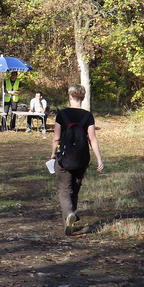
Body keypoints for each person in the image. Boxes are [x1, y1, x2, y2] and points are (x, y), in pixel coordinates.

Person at [50, 84, 104, 236]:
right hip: (82, 158)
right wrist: (99, 159)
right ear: (83, 97)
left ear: (69, 96)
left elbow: (56, 138)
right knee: (75, 188)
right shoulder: (88, 116)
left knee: (64, 189)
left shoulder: (62, 115)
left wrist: (53, 153)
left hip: (64, 157)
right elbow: (92, 138)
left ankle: (68, 215)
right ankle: (71, 216)